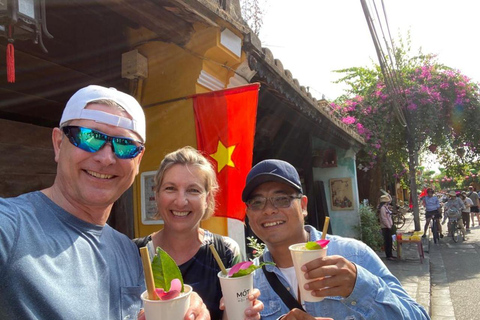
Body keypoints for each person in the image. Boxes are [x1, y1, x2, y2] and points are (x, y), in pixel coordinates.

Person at [0, 85, 210, 319]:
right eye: (89, 137)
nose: (106, 158)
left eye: (125, 146)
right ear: (59, 143)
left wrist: (186, 304)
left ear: (138, 160)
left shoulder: (132, 254)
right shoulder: (12, 226)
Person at [242, 159, 430, 320]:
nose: (268, 210)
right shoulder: (249, 284)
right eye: (257, 202)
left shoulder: (354, 255)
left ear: (303, 206)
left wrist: (360, 287)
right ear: (248, 214)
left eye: (281, 199)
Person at [134, 146, 262, 320]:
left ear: (207, 198)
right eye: (170, 188)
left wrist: (245, 312)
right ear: (156, 195)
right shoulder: (134, 253)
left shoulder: (226, 251)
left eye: (193, 190)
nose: (180, 201)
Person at [378, 194, 395, 260]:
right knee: (387, 241)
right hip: (386, 227)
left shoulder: (385, 207)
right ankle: (388, 255)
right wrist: (388, 226)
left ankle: (390, 254)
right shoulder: (382, 208)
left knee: (390, 241)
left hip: (388, 226)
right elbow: (384, 218)